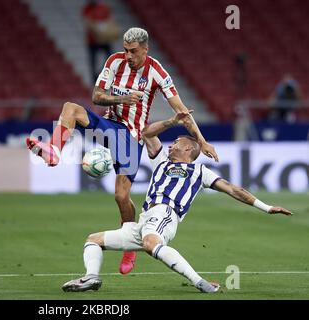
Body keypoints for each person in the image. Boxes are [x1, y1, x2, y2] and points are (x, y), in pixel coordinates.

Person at [26, 27, 219, 275]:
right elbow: (96, 96)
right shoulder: (114, 61)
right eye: (126, 50)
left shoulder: (157, 72)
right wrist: (122, 98)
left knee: (120, 196)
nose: (128, 55)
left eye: (134, 51)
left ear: (145, 50)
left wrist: (201, 141)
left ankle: (130, 244)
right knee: (71, 108)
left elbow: (181, 111)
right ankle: (53, 150)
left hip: (132, 137)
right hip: (110, 126)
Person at [61, 111, 293, 293]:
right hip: (144, 220)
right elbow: (147, 133)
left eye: (177, 142)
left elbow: (234, 189)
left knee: (152, 244)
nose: (171, 145)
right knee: (93, 240)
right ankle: (91, 277)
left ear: (189, 148)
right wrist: (173, 121)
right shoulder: (161, 160)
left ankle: (200, 282)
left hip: (165, 215)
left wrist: (266, 207)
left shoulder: (200, 172)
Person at [82, 0, 120, 82]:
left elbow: (110, 20)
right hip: (92, 40)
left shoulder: (103, 7)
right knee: (93, 62)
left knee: (110, 58)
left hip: (104, 39)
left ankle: (103, 75)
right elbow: (87, 22)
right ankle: (95, 79)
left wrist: (106, 32)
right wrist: (98, 31)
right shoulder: (88, 8)